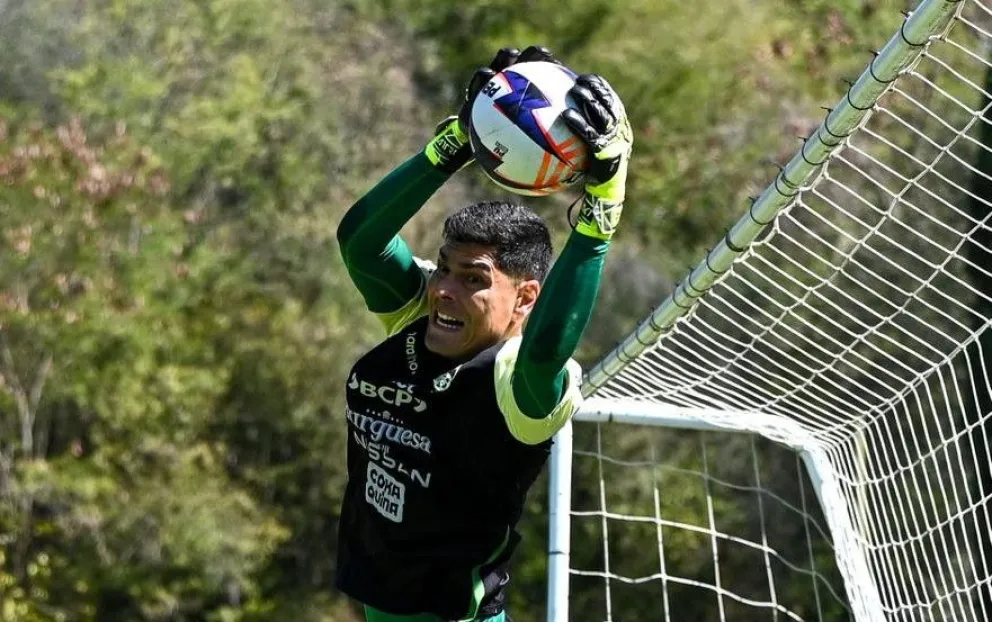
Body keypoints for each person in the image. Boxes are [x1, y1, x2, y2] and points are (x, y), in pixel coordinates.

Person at [334, 45, 633, 622]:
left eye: (473, 280)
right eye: (444, 267)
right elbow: (360, 242)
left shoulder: (517, 380)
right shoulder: (423, 314)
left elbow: (547, 346)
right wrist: (454, 145)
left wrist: (602, 205)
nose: (444, 288)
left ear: (525, 297)